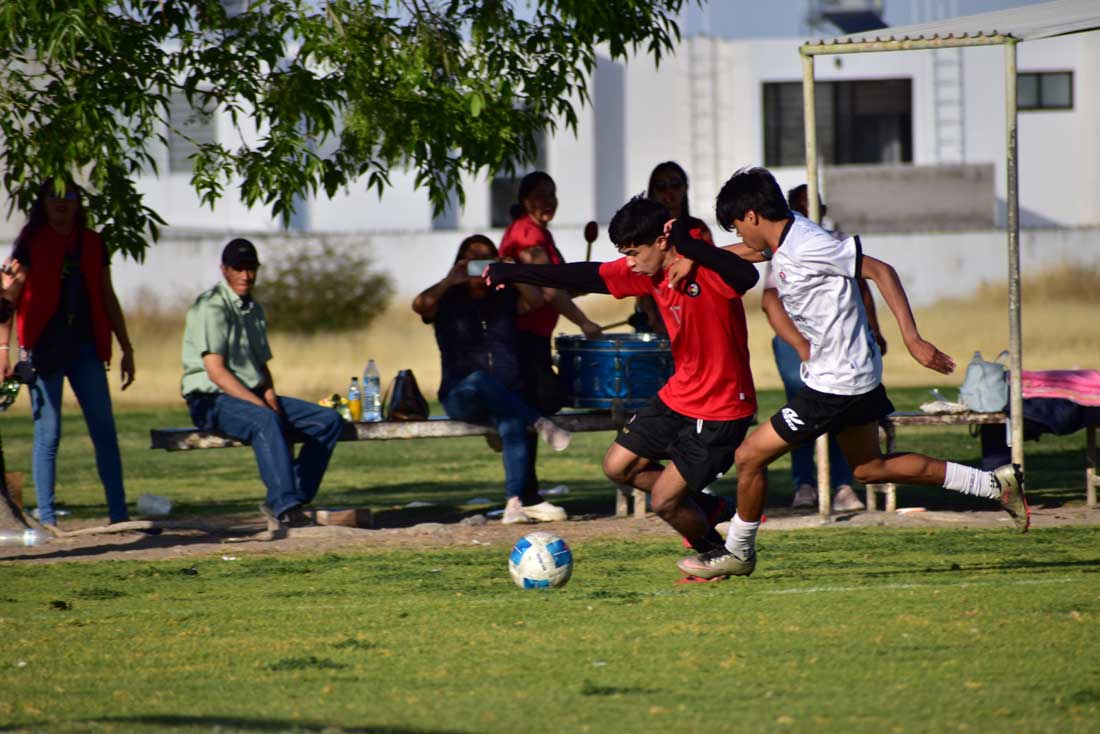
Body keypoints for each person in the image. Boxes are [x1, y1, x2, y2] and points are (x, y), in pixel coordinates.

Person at [676, 167, 1029, 581]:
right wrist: (697, 258)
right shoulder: (786, 237)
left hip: (836, 381)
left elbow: (880, 270)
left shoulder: (808, 244)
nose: (739, 235)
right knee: (869, 468)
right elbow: (753, 252)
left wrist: (913, 339)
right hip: (852, 374)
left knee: (749, 457)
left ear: (752, 215)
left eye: (738, 226)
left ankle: (737, 551)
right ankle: (992, 485)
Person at [487, 195, 760, 557]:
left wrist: (691, 249)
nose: (628, 263)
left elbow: (750, 270)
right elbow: (584, 274)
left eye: (633, 252)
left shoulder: (707, 269)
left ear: (662, 242)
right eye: (624, 253)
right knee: (617, 465)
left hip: (720, 407)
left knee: (663, 502)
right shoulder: (648, 274)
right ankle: (708, 509)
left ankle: (716, 555)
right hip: (680, 395)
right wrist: (516, 272)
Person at [0, 180, 136, 528]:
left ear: (79, 203)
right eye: (54, 196)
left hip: (87, 346)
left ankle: (119, 514)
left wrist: (126, 346)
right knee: (50, 433)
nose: (62, 203)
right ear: (42, 203)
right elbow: (9, 298)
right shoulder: (31, 242)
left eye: (70, 196)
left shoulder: (93, 242)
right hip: (44, 349)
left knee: (104, 429)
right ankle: (47, 519)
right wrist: (4, 349)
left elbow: (107, 295)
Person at [180, 238, 344, 528]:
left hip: (250, 393)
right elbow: (216, 373)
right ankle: (284, 505)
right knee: (265, 421)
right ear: (224, 270)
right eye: (239, 268)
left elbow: (261, 366)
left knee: (328, 420)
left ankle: (293, 497)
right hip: (211, 399)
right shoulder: (211, 307)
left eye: (251, 268)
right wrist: (264, 408)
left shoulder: (254, 309)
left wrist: (270, 398)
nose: (246, 275)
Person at [413, 234, 572, 525]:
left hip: (506, 394)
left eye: (486, 258)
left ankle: (514, 504)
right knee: (477, 380)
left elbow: (535, 301)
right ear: (461, 261)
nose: (478, 264)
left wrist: (512, 272)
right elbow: (420, 304)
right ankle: (538, 421)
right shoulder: (447, 298)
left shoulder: (504, 294)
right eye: (473, 258)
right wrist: (451, 279)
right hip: (460, 396)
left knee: (512, 422)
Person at [762, 183, 888, 511]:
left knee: (856, 444)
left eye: (814, 206)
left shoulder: (826, 242)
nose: (809, 213)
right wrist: (800, 344)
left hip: (841, 352)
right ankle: (805, 483)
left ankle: (842, 484)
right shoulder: (782, 245)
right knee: (798, 418)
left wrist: (875, 328)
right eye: (802, 207)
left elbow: (866, 279)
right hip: (802, 344)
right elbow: (770, 300)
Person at [499, 171, 601, 500]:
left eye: (552, 195)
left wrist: (582, 284)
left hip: (536, 335)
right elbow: (548, 288)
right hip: (521, 338)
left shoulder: (539, 233)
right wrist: (585, 322)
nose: (548, 202)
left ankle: (527, 491)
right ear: (525, 201)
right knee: (547, 399)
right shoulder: (527, 234)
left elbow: (557, 286)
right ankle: (524, 493)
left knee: (536, 405)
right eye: (541, 196)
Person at [629, 161, 697, 336]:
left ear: (685, 189)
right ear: (653, 192)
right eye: (661, 187)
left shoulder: (698, 229)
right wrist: (650, 313)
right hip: (655, 311)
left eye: (675, 185)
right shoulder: (644, 230)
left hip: (692, 308)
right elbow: (640, 274)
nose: (669, 193)